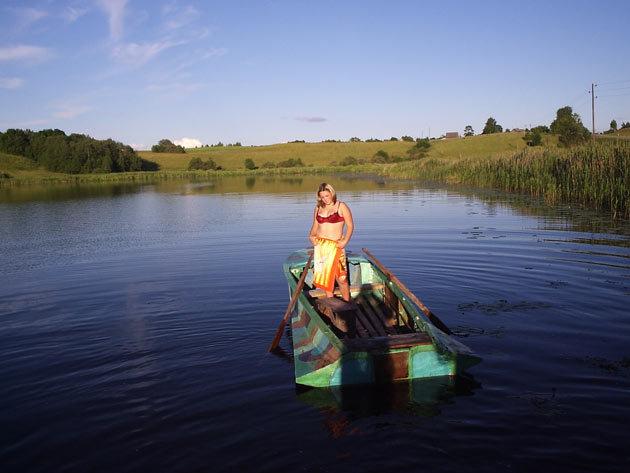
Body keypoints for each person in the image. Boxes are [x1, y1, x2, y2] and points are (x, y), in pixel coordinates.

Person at [309, 183, 354, 302]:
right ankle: (331, 303)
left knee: (342, 278)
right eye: (322, 197)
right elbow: (315, 226)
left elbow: (350, 226)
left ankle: (347, 303)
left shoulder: (341, 206)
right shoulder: (318, 208)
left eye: (327, 196)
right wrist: (311, 236)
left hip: (336, 246)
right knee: (326, 277)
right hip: (321, 246)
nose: (325, 199)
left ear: (332, 193)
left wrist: (345, 241)